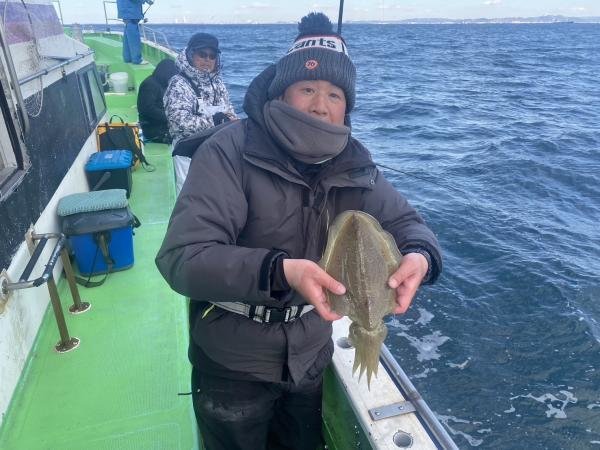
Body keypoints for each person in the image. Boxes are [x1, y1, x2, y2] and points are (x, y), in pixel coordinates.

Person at [156, 12, 442, 450]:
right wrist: (281, 272)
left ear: (347, 107)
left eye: (334, 94)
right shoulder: (229, 150)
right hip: (233, 363)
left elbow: (406, 223)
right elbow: (183, 258)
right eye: (307, 88)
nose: (320, 105)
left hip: (309, 355)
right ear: (282, 92)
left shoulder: (355, 164)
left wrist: (419, 255)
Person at [163, 32, 236, 194]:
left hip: (215, 150)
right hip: (188, 153)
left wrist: (232, 121)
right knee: (190, 195)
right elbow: (178, 122)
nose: (207, 60)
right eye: (202, 54)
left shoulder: (218, 83)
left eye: (212, 56)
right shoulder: (178, 84)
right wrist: (214, 122)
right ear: (191, 54)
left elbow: (228, 110)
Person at [137, 59, 178, 143]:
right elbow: (147, 109)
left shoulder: (162, 83)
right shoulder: (149, 85)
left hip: (162, 123)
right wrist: (169, 117)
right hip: (152, 127)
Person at [116, 0, 153, 65]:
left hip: (126, 11)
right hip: (131, 12)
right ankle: (137, 60)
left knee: (127, 37)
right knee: (134, 38)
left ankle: (128, 58)